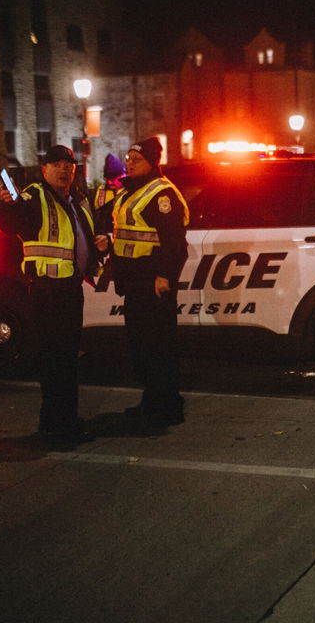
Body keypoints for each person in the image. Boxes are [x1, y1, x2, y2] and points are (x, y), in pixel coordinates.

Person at [0, 145, 108, 445]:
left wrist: (98, 246)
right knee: (56, 360)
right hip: (48, 290)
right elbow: (10, 220)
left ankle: (61, 420)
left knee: (67, 359)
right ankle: (58, 424)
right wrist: (7, 203)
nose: (64, 169)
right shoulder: (34, 197)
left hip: (69, 289)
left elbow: (80, 236)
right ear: (44, 170)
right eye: (56, 164)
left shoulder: (75, 200)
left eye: (68, 165)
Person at [100, 136, 189, 427]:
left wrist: (164, 276)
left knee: (159, 347)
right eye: (128, 158)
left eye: (136, 160)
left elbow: (175, 243)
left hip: (153, 284)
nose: (129, 163)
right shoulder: (131, 191)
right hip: (135, 282)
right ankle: (152, 401)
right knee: (141, 347)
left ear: (152, 163)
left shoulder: (161, 194)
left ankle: (168, 408)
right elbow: (129, 233)